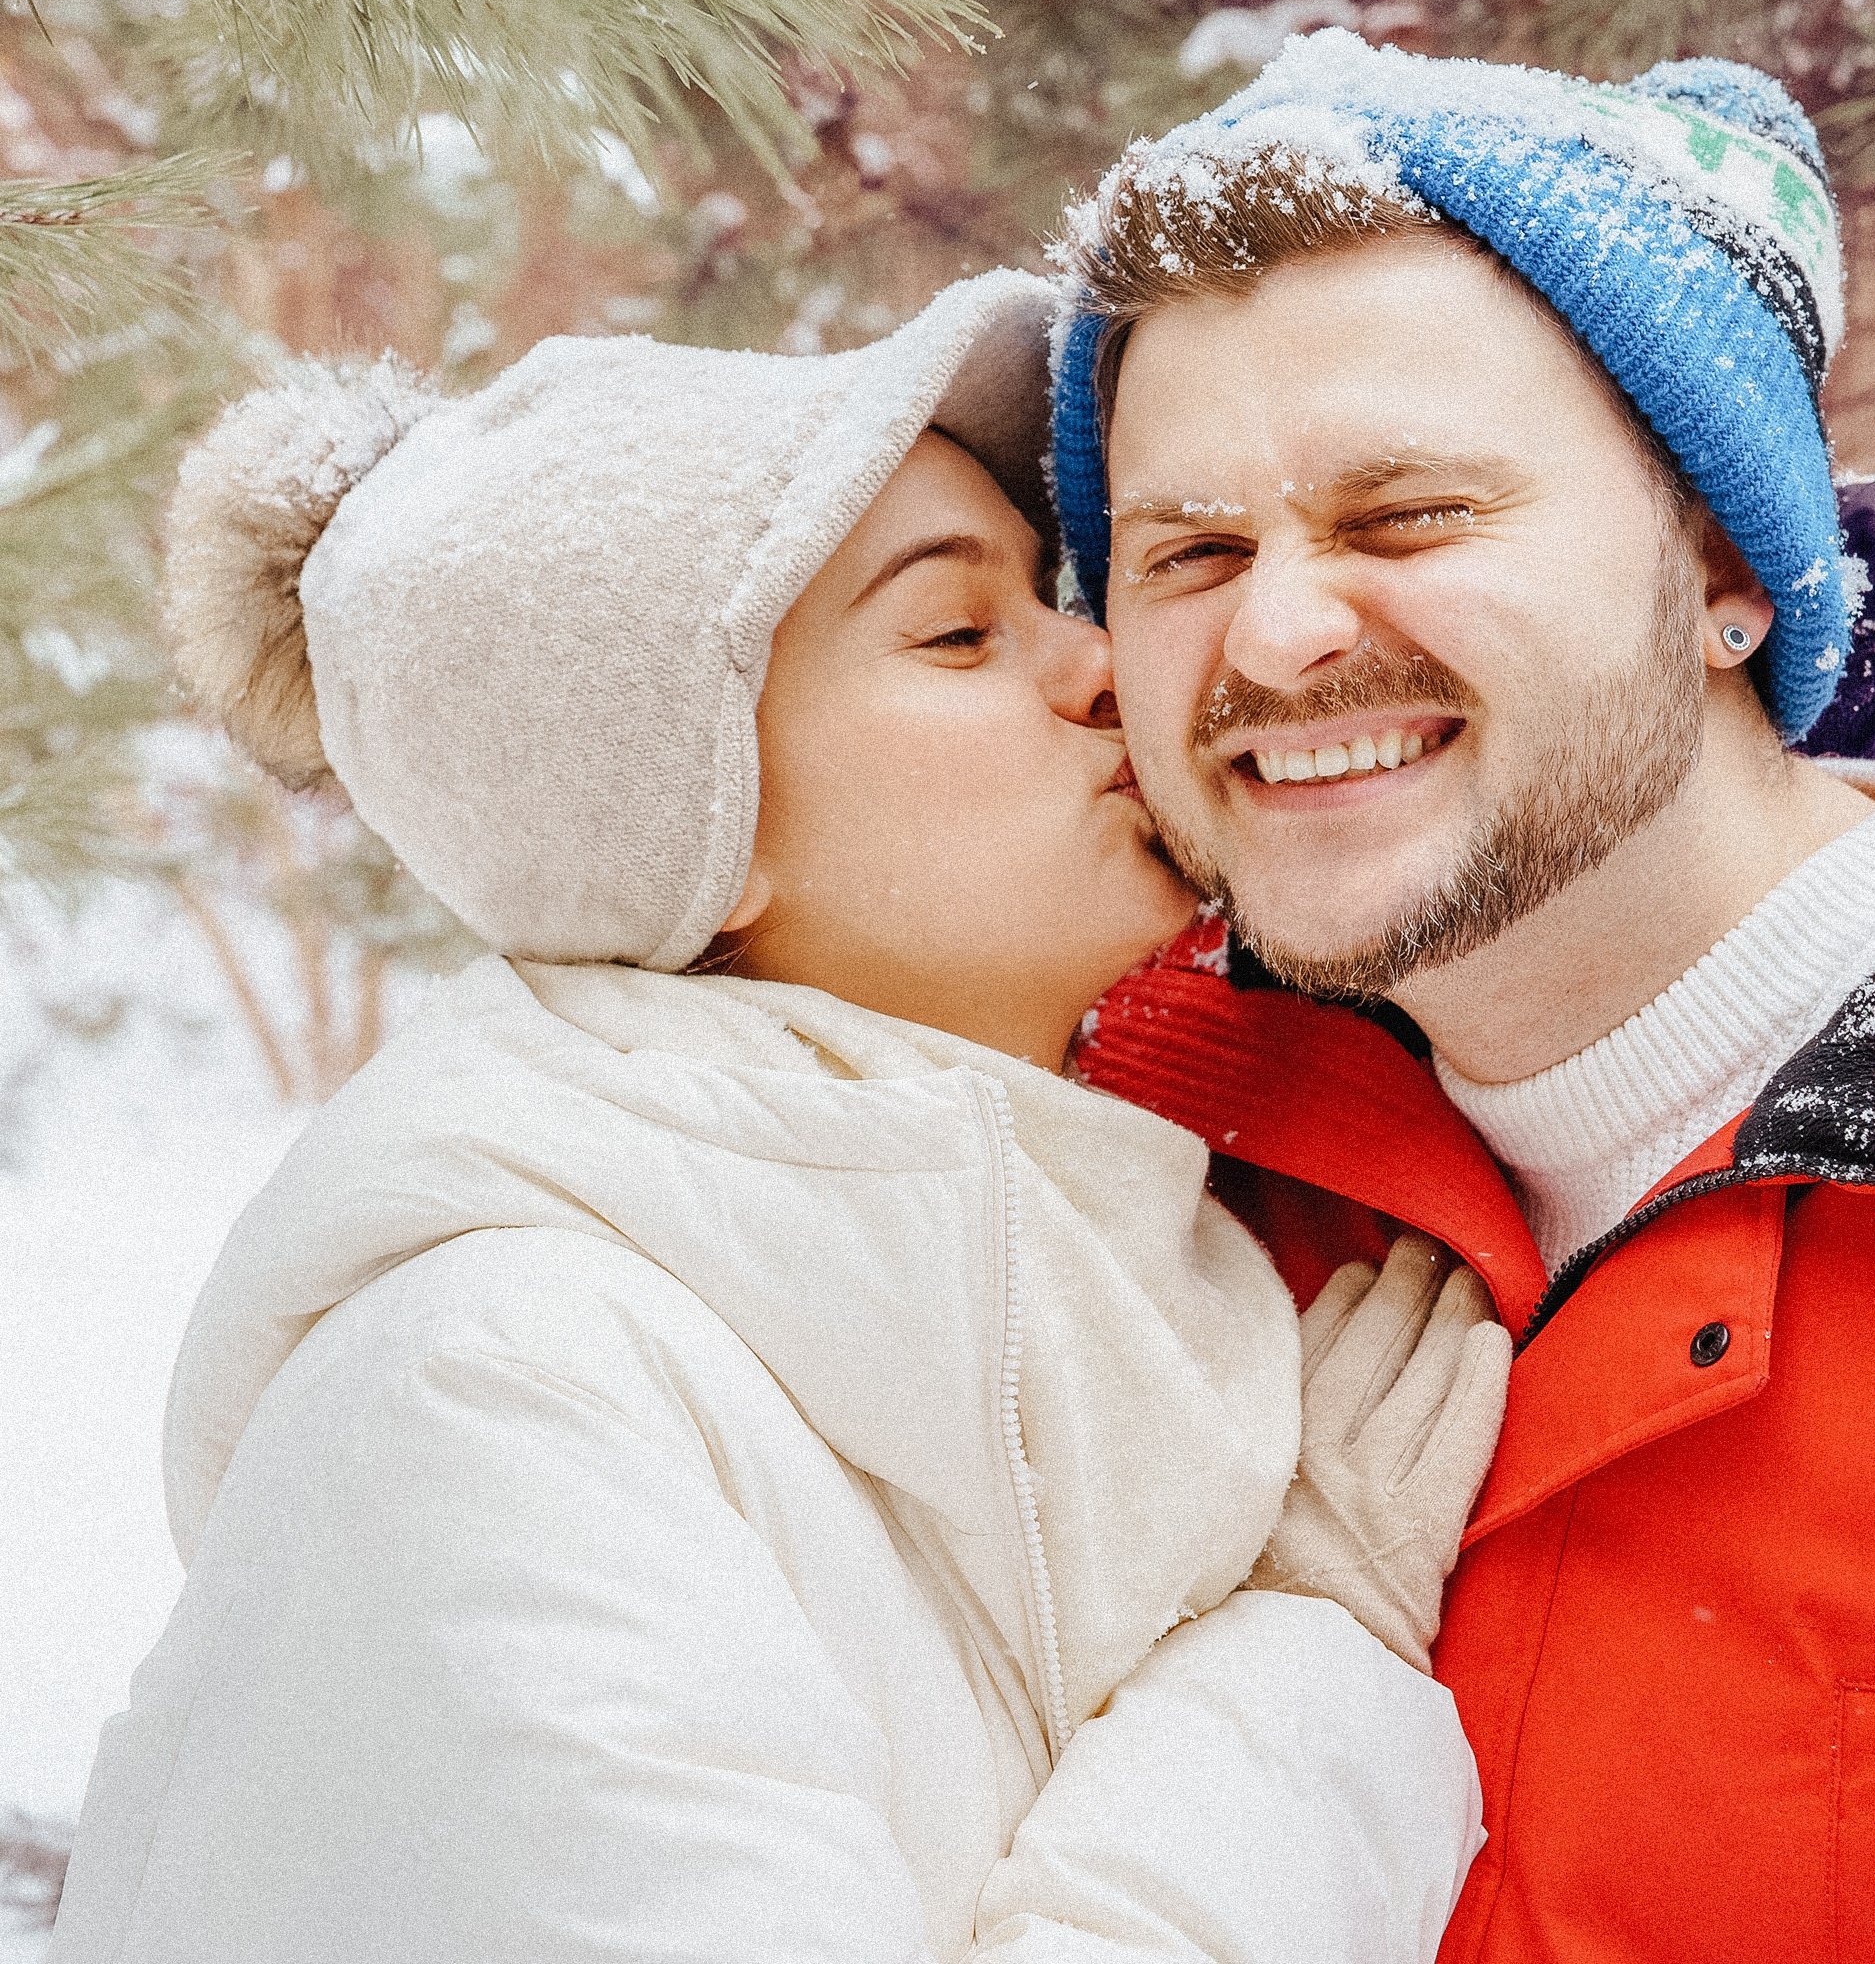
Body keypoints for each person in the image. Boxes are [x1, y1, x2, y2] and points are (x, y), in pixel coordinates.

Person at [49, 271, 1507, 1964]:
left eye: (1050, 593)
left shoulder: (1092, 1293)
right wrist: (1303, 1668)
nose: (1104, 662)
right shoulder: (500, 1396)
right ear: (698, 833)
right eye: (959, 632)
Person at [1048, 29, 1875, 1964]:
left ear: (1729, 558)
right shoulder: (1126, 1173)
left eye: (1406, 516)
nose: (1276, 628)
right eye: (1188, 551)